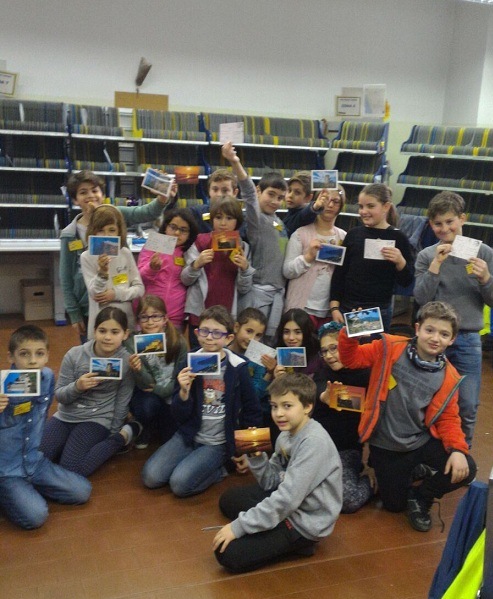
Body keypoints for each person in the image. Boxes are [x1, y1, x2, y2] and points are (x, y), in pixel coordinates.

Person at [338, 301, 477, 532]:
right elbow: (350, 359)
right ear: (417, 328)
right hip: (386, 445)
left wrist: (458, 451)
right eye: (430, 330)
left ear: (452, 340)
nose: (435, 338)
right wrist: (350, 334)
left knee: (467, 469)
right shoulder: (390, 347)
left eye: (444, 334)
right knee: (394, 505)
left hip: (419, 442)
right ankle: (414, 472)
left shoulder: (449, 376)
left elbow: (449, 419)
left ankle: (422, 497)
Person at [212, 373, 342, 573]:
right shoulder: (285, 434)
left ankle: (302, 544)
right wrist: (256, 457)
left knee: (226, 553)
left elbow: (287, 499)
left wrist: (238, 527)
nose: (278, 413)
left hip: (304, 522)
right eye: (274, 406)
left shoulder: (314, 442)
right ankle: (274, 529)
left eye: (287, 406)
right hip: (290, 503)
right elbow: (270, 482)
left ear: (307, 407)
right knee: (229, 500)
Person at [141, 305, 262, 497]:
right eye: (204, 331)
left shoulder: (238, 367)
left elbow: (252, 410)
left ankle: (222, 468)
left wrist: (250, 453)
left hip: (218, 443)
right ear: (197, 334)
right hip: (188, 435)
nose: (209, 337)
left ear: (228, 338)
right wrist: (183, 392)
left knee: (179, 485)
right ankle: (196, 463)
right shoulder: (189, 362)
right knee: (150, 477)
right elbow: (178, 415)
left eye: (217, 333)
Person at [414, 191, 493, 446]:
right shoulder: (427, 256)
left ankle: (462, 452)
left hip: (467, 338)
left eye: (450, 221)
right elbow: (421, 298)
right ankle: (424, 453)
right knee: (425, 399)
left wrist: (486, 279)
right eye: (438, 223)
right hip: (433, 338)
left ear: (462, 219)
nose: (444, 228)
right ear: (431, 225)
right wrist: (435, 266)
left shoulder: (483, 253)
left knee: (467, 403)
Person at [60, 169, 174, 341]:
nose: (90, 196)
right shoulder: (70, 234)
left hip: (122, 303)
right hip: (90, 307)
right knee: (96, 345)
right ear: (75, 199)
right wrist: (74, 313)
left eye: (94, 190)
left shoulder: (115, 215)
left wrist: (162, 197)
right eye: (83, 192)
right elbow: (66, 277)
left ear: (103, 194)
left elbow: (146, 212)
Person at [0, 325, 92, 530]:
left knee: (82, 491)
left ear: (47, 355)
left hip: (35, 461)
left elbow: (46, 406)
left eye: (39, 353)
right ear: (10, 357)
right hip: (7, 470)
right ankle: (10, 492)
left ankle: (24, 491)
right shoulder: (2, 386)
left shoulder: (47, 376)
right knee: (36, 516)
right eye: (24, 354)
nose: (33, 361)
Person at [39, 307, 141, 477]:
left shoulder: (126, 361)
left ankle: (124, 435)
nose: (107, 337)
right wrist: (77, 386)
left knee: (71, 468)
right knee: (38, 459)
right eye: (102, 331)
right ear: (94, 331)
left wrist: (114, 434)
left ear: (125, 334)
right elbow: (60, 396)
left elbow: (122, 401)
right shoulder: (74, 354)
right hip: (66, 416)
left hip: (97, 419)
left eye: (115, 332)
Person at [222, 141, 288, 340]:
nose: (275, 201)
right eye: (271, 194)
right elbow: (249, 194)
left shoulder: (279, 222)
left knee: (265, 345)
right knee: (247, 342)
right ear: (259, 191)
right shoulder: (256, 218)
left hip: (277, 295)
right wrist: (235, 161)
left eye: (280, 197)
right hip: (256, 295)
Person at [329, 183, 414, 331]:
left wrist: (400, 262)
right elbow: (340, 273)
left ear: (386, 207)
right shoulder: (353, 234)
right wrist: (334, 307)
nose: (364, 211)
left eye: (370, 206)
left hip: (376, 311)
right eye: (361, 206)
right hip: (347, 308)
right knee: (345, 346)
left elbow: (406, 281)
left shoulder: (398, 238)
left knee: (369, 346)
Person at [313, 321, 373, 513]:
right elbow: (321, 390)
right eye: (324, 351)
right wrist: (325, 396)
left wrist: (373, 466)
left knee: (349, 500)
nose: (329, 356)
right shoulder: (323, 373)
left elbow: (374, 413)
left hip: (347, 450)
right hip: (318, 449)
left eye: (334, 348)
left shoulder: (367, 373)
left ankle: (373, 482)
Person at [181, 195, 255, 347]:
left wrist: (245, 269)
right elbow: (185, 279)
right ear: (212, 219)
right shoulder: (201, 242)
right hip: (200, 314)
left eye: (229, 218)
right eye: (218, 217)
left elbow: (244, 288)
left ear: (237, 221)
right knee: (199, 355)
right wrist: (196, 264)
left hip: (227, 317)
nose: (223, 223)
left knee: (222, 356)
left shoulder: (243, 248)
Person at [126, 295, 188, 449]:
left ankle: (160, 422)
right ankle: (145, 425)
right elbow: (145, 384)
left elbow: (180, 376)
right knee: (146, 407)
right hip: (148, 394)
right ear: (138, 320)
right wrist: (138, 370)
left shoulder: (178, 341)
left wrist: (161, 390)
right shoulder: (133, 343)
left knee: (169, 438)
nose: (150, 322)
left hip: (171, 391)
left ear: (165, 319)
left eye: (155, 316)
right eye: (144, 317)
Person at [284, 185, 347, 327]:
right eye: (326, 199)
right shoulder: (300, 234)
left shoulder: (344, 237)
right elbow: (287, 271)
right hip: (301, 308)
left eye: (336, 201)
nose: (330, 205)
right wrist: (307, 257)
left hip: (329, 312)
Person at [80, 204, 144, 338]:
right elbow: (95, 293)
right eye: (100, 230)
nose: (106, 235)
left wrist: (116, 294)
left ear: (119, 231)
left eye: (112, 230)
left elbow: (139, 289)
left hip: (126, 322)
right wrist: (102, 273)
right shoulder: (86, 257)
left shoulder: (125, 254)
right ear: (93, 231)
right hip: (101, 324)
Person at [137, 208, 199, 331]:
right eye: (173, 227)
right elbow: (139, 277)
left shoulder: (190, 251)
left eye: (183, 230)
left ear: (190, 234)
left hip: (175, 317)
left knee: (173, 343)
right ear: (165, 227)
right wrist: (151, 268)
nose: (177, 233)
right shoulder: (154, 245)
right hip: (148, 316)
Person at [228, 307, 272, 424]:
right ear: (236, 327)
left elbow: (255, 395)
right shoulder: (222, 352)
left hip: (245, 418)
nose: (252, 339)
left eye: (258, 335)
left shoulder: (258, 359)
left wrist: (269, 373)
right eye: (249, 331)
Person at [163, 168, 239, 233]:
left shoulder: (242, 219)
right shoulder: (197, 213)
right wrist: (171, 199)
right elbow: (173, 219)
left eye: (225, 190)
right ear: (209, 191)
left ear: (235, 193)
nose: (219, 194)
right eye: (215, 190)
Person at [282, 170, 323, 237]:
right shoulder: (291, 211)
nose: (290, 195)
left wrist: (315, 207)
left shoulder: (303, 216)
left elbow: (307, 213)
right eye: (289, 190)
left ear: (308, 198)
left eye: (297, 192)